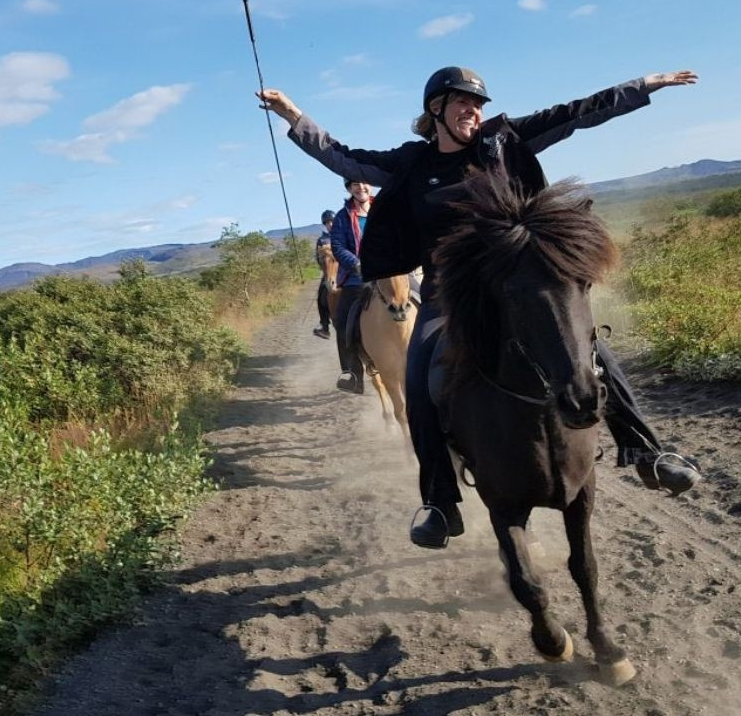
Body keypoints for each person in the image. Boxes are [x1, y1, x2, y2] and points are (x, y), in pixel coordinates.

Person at [258, 66, 702, 549]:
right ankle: (439, 502)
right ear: (437, 110)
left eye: (479, 104)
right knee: (419, 378)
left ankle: (644, 451)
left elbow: (576, 113)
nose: (474, 111)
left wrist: (643, 86)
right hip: (449, 294)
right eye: (463, 103)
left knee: (583, 348)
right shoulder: (409, 164)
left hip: (516, 282)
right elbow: (344, 158)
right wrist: (294, 116)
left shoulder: (503, 141)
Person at [329, 178, 373, 394]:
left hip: (390, 273)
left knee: (426, 300)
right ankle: (353, 375)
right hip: (357, 279)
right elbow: (337, 245)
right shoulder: (342, 216)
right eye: (354, 184)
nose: (361, 187)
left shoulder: (384, 208)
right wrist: (355, 263)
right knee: (342, 324)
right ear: (349, 188)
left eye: (364, 182)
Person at [313, 209, 336, 339]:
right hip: (329, 271)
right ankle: (325, 326)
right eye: (327, 222)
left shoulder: (343, 235)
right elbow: (318, 258)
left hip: (346, 270)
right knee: (321, 296)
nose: (330, 224)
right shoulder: (322, 240)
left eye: (332, 221)